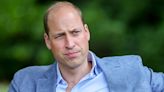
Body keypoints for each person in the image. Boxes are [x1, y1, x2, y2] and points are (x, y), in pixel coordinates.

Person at [8, 1, 164, 92]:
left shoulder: (130, 70)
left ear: (86, 32)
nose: (70, 44)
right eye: (60, 36)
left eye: (75, 32)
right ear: (48, 41)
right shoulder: (25, 82)